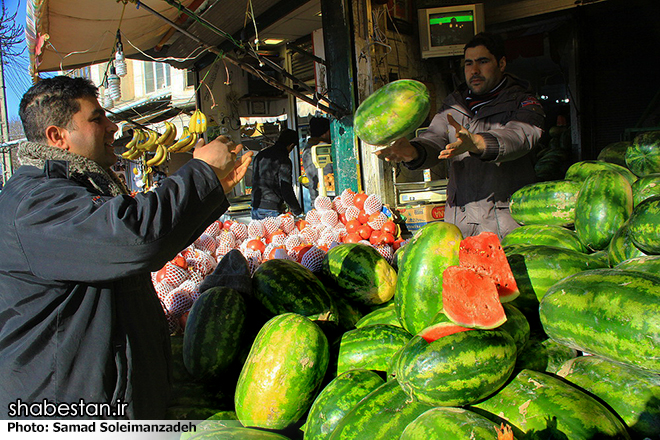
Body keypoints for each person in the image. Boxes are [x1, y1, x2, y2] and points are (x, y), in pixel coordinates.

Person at [0, 76, 252, 419]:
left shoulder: (64, 190)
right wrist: (202, 173)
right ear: (58, 137)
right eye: (96, 118)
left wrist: (214, 187)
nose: (112, 126)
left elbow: (140, 244)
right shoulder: (36, 204)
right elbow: (134, 237)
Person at [375, 32, 545, 239]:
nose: (474, 70)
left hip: (504, 224)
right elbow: (434, 137)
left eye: (483, 62)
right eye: (468, 63)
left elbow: (522, 136)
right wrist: (413, 151)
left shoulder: (523, 101)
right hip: (460, 222)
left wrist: (477, 143)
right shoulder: (454, 104)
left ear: (501, 64)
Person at [250, 128, 303, 219]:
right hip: (271, 209)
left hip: (255, 206)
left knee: (258, 233)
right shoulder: (283, 160)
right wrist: (297, 210)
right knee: (275, 233)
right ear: (291, 145)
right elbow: (285, 187)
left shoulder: (261, 155)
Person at [302, 116, 332, 206]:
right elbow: (329, 175)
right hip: (326, 199)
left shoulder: (307, 149)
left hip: (317, 199)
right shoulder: (321, 148)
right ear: (325, 133)